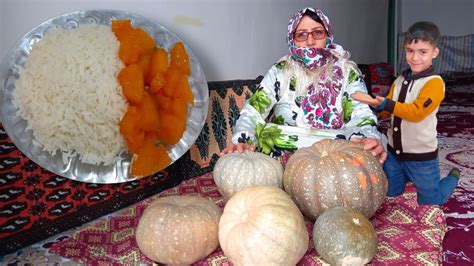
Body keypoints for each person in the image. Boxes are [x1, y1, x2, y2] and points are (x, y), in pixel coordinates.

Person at [220, 7, 386, 163]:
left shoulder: (347, 71)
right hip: (285, 147)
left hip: (335, 148)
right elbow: (254, 110)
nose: (310, 41)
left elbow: (361, 113)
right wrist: (242, 139)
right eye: (302, 35)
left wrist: (366, 136)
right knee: (266, 136)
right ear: (292, 39)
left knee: (373, 145)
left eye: (318, 33)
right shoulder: (281, 71)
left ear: (328, 36)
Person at [351, 21, 460, 205]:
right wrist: (373, 106)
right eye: (410, 50)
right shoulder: (400, 79)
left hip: (421, 158)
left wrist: (386, 103)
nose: (415, 57)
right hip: (395, 154)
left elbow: (416, 113)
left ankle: (453, 178)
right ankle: (403, 180)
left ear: (434, 52)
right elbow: (389, 111)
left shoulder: (434, 83)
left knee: (431, 201)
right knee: (391, 193)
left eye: (422, 52)